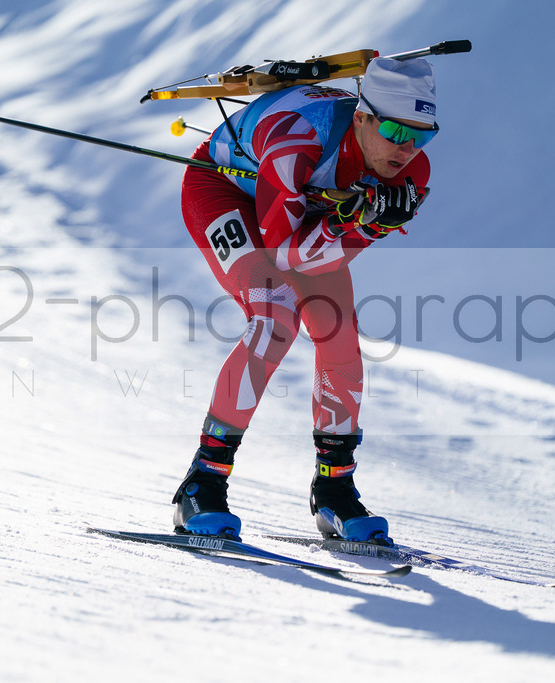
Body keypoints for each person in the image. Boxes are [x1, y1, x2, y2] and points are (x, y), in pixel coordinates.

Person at [172, 57, 438, 545]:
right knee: (274, 314)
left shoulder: (411, 171)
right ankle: (202, 482)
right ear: (362, 117)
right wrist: (352, 220)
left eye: (421, 134)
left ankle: (334, 490)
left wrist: (368, 224)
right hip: (224, 188)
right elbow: (283, 250)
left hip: (305, 209)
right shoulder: (298, 142)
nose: (406, 148)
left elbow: (327, 258)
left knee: (337, 331)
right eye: (397, 130)